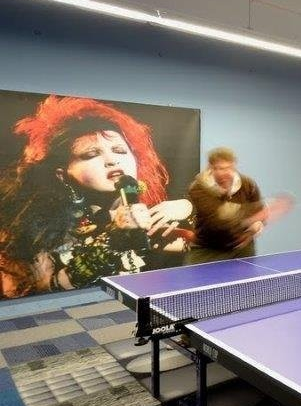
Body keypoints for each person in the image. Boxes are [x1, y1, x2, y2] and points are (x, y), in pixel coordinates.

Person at [0, 95, 193, 297]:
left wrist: (188, 206)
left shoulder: (147, 220)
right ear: (62, 174)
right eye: (91, 154)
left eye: (120, 150)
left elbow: (209, 249)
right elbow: (34, 293)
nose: (112, 160)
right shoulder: (38, 228)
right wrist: (112, 239)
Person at [186, 147, 272, 264]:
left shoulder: (248, 184)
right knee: (193, 276)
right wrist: (253, 216)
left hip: (241, 248)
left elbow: (260, 212)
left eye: (229, 168)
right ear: (211, 168)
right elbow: (220, 219)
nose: (226, 173)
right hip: (206, 248)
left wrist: (256, 226)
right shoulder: (198, 188)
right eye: (221, 168)